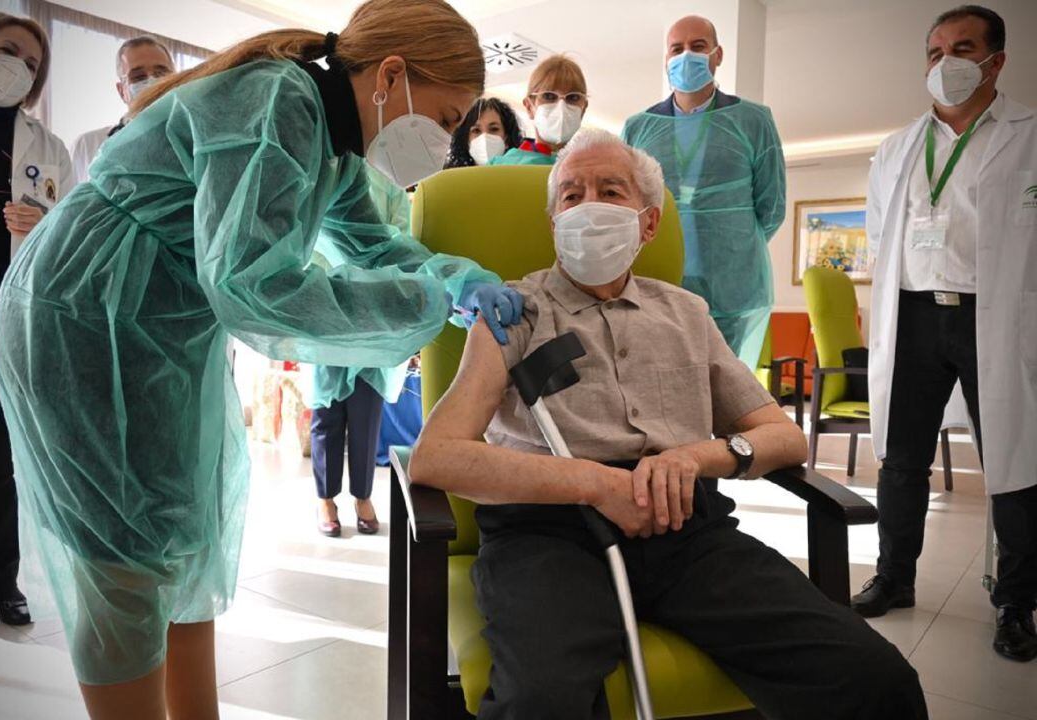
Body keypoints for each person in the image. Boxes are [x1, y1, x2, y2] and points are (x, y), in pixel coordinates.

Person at [0, 0, 523, 717]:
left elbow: (370, 246)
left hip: (162, 327)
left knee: (183, 541)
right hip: (89, 315)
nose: (447, 139)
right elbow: (254, 287)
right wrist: (424, 304)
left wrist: (456, 278)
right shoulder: (277, 101)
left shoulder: (332, 145)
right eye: (450, 117)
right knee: (124, 562)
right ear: (391, 75)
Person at [410, 129, 927, 720]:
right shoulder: (512, 315)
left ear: (648, 223)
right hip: (548, 536)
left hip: (688, 534)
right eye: (572, 196)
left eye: (611, 190)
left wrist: (697, 458)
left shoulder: (686, 313)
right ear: (554, 223)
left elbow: (782, 437)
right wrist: (599, 485)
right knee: (542, 700)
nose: (589, 207)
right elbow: (439, 457)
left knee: (876, 679)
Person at [855, 5, 1037, 664]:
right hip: (911, 315)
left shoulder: (1028, 135)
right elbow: (880, 235)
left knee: (1014, 464)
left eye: (962, 49)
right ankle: (894, 578)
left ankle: (1017, 602)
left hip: (1000, 318)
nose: (945, 63)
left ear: (997, 60)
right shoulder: (898, 146)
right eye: (934, 52)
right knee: (901, 459)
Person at [0, 12, 72, 644]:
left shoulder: (46, 147)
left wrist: (44, 225)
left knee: (1, 460)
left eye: (31, 65)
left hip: (8, 319)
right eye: (9, 52)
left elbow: (72, 232)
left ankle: (5, 583)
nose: (19, 69)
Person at [622, 15, 785, 369]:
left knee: (726, 392)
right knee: (666, 389)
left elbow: (771, 208)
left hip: (733, 287)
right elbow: (627, 205)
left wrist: (733, 247)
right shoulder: (639, 128)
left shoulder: (753, 120)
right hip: (660, 281)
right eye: (676, 49)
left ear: (717, 55)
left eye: (698, 47)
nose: (686, 56)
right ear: (666, 59)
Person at [310, 165, 413, 538]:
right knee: (327, 414)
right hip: (325, 307)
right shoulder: (323, 171)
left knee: (366, 414)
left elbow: (401, 242)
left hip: (371, 311)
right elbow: (306, 241)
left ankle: (363, 496)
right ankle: (326, 497)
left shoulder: (389, 183)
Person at [70, 36, 176, 184]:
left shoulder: (191, 142)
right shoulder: (88, 145)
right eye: (138, 76)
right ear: (121, 91)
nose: (152, 82)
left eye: (162, 74)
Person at [489, 54, 588, 166]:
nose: (561, 107)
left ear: (583, 109)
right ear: (529, 107)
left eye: (573, 97)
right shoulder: (502, 167)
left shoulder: (594, 167)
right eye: (549, 96)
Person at [444, 96, 522, 168]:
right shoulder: (450, 179)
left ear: (507, 138)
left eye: (494, 129)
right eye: (476, 130)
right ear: (466, 139)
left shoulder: (522, 175)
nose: (485, 137)